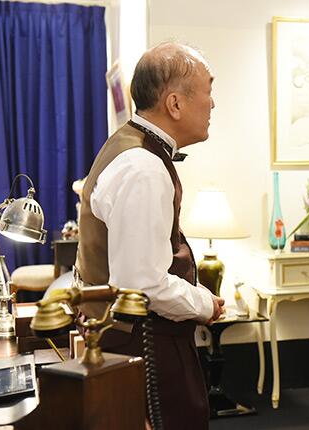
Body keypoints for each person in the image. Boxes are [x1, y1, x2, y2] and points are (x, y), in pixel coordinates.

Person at [75, 42, 225, 430]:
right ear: (175, 104)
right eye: (208, 91)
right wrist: (202, 303)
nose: (213, 104)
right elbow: (141, 285)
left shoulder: (133, 148)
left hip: (131, 338)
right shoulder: (144, 167)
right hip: (145, 343)